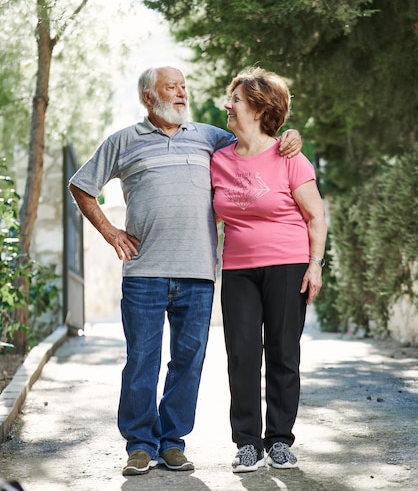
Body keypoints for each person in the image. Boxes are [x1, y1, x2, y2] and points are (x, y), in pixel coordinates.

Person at [69, 65, 302, 476]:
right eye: (171, 88)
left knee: (188, 361)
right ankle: (140, 445)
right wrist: (110, 232)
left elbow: (259, 142)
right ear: (148, 97)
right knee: (142, 359)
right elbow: (82, 185)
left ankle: (173, 443)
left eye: (183, 87)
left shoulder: (210, 137)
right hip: (144, 272)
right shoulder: (123, 140)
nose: (181, 94)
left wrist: (290, 137)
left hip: (198, 273)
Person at [210, 66, 327, 473]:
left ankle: (279, 440)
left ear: (259, 108)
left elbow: (316, 216)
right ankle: (247, 443)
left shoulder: (289, 157)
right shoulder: (218, 159)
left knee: (282, 352)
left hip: (288, 265)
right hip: (239, 268)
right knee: (241, 354)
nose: (229, 105)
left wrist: (315, 265)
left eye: (236, 100)